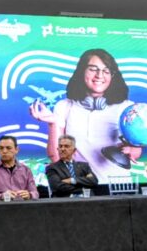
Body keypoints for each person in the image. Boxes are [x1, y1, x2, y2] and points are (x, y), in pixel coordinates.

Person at [30, 48, 141, 181]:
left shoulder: (126, 107)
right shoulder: (64, 106)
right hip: (81, 188)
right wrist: (53, 123)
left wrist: (132, 149)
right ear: (82, 71)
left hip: (116, 188)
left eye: (106, 71)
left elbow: (136, 151)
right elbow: (56, 158)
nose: (99, 75)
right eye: (93, 69)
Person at [0, 135, 39, 201]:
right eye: (1, 148)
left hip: (23, 208)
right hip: (0, 209)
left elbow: (35, 193)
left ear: (17, 150)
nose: (4, 151)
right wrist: (2, 196)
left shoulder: (26, 170)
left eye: (8, 148)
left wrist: (29, 195)